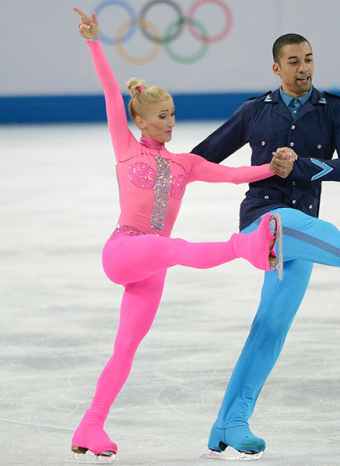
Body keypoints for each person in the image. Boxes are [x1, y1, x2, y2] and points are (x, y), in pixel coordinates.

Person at [191, 33, 340, 458]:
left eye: (308, 59)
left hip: (302, 235)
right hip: (261, 224)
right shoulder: (255, 111)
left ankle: (228, 423)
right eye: (293, 61)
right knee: (293, 226)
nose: (303, 68)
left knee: (269, 329)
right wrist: (156, 168)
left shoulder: (334, 109)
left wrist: (299, 167)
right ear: (276, 68)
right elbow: (203, 157)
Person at [69, 8, 288, 460]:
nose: (171, 123)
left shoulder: (184, 164)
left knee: (126, 348)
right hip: (124, 249)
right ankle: (246, 246)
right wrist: (94, 41)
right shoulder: (125, 146)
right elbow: (112, 92)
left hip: (151, 271)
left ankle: (91, 426)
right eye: (164, 116)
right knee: (175, 248)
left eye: (173, 115)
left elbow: (229, 175)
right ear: (143, 121)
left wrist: (271, 167)